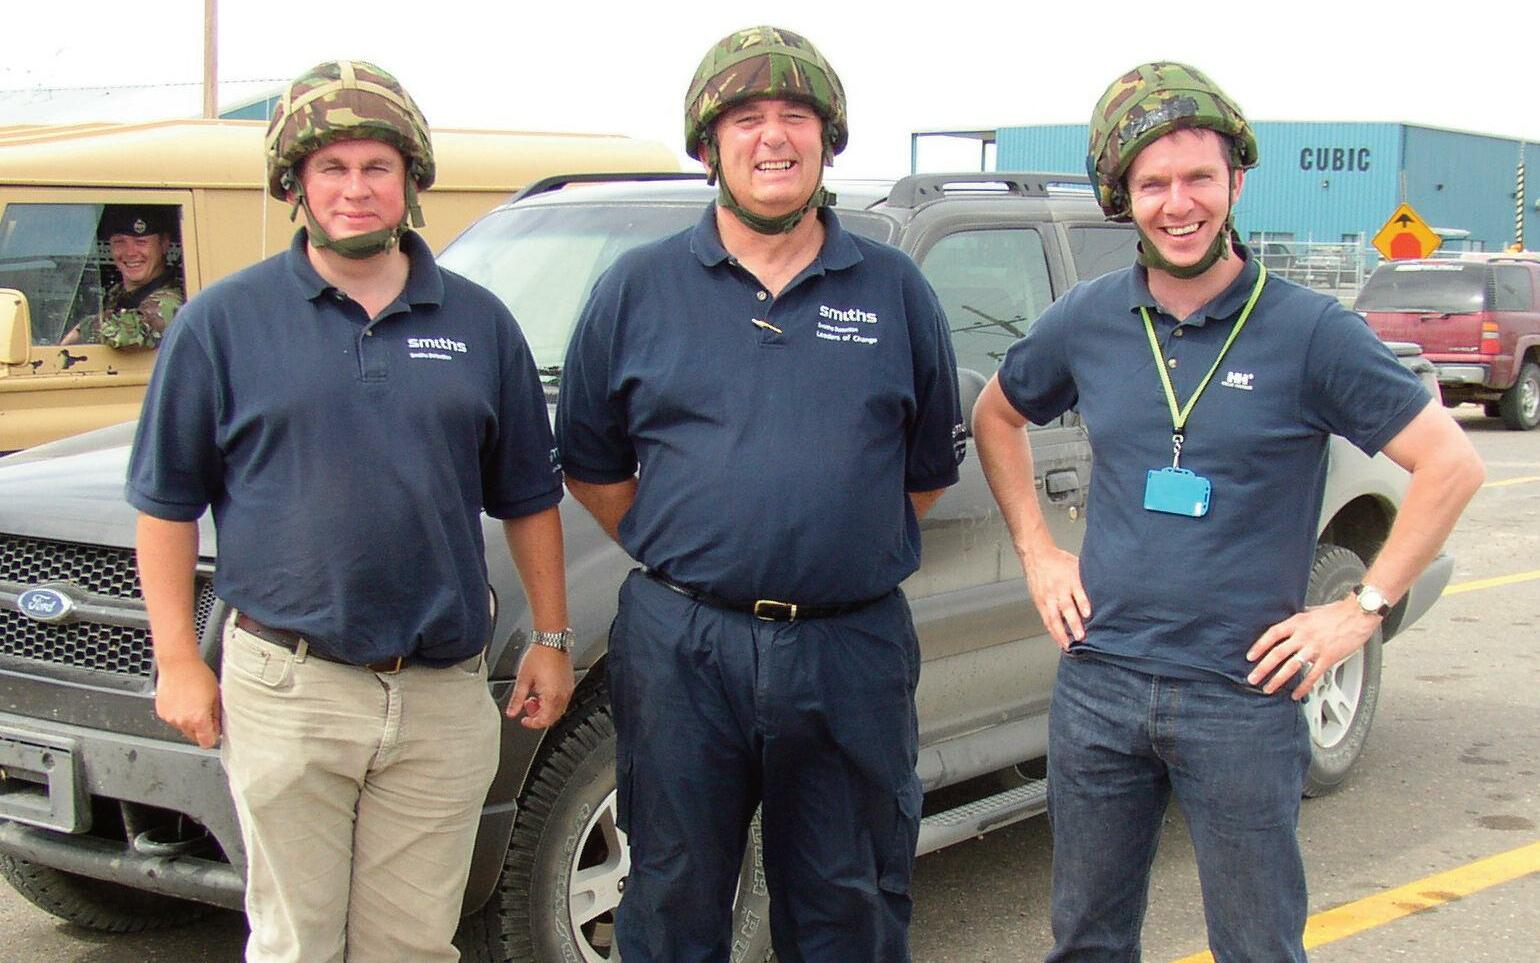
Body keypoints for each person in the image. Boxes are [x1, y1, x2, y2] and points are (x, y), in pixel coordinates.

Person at [971, 62, 1484, 962]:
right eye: (1153, 184)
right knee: (1086, 940)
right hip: (1101, 683)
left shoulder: (1311, 331)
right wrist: (1039, 552)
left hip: (1242, 695)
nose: (1179, 204)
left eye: (1199, 177)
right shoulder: (1089, 318)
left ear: (1237, 182)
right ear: (1123, 198)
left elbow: (1451, 463)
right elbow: (996, 415)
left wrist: (1360, 610)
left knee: (1257, 945)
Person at [127, 60, 574, 963]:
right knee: (297, 943)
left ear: (412, 178)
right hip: (288, 689)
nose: (355, 188)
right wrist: (176, 658)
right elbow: (166, 504)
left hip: (441, 695)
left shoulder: (481, 324)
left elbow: (529, 497)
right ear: (294, 182)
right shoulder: (221, 323)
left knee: (412, 946)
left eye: (378, 166)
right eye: (331, 167)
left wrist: (552, 638)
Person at [555, 25, 964, 963]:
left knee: (850, 902)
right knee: (672, 897)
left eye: (795, 116)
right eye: (745, 118)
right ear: (709, 144)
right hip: (682, 650)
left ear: (828, 140)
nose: (772, 136)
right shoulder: (636, 288)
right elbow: (591, 463)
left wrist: (830, 555)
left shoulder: (895, 290)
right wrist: (695, 555)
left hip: (849, 651)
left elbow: (926, 474)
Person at [61, 205, 184, 348]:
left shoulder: (173, 298)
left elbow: (133, 331)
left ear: (164, 244)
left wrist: (84, 329)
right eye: (119, 242)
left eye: (140, 242)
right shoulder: (116, 294)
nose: (130, 253)